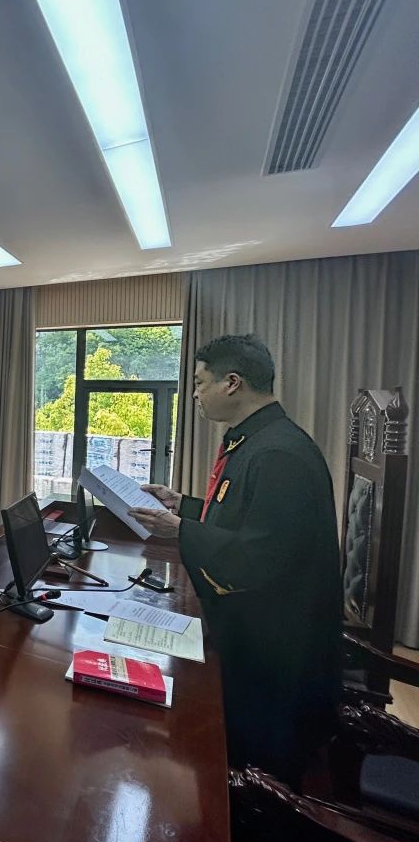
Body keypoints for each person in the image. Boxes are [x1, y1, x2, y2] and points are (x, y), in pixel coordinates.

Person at [129, 334, 340, 785]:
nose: (195, 394)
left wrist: (179, 529)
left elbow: (258, 557)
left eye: (200, 382)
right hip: (258, 635)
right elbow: (238, 517)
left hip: (275, 659)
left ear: (232, 383)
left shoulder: (278, 454)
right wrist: (182, 505)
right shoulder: (256, 440)